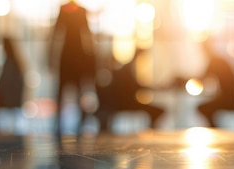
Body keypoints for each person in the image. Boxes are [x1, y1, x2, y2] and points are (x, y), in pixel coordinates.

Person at [49, 0, 97, 135]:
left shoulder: (79, 11)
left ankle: (79, 124)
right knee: (63, 92)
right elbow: (56, 33)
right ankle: (59, 124)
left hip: (76, 56)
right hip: (70, 56)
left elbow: (87, 34)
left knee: (77, 92)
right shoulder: (65, 9)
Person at [94, 49, 164, 132]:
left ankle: (151, 131)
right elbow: (134, 88)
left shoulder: (118, 72)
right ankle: (151, 131)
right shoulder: (122, 72)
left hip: (119, 104)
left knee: (156, 111)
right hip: (124, 103)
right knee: (157, 111)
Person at [197, 37, 234, 127]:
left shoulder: (215, 61)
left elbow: (202, 78)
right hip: (231, 97)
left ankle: (214, 129)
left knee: (203, 108)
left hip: (230, 100)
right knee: (206, 108)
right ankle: (214, 128)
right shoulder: (218, 60)